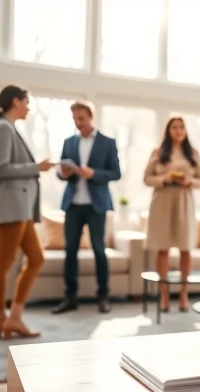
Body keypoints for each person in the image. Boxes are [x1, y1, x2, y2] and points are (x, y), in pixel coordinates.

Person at [0, 85, 54, 339]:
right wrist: (36, 167)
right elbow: (2, 169)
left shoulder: (8, 128)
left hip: (22, 208)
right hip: (12, 207)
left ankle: (14, 317)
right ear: (16, 102)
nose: (29, 107)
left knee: (36, 259)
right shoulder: (2, 128)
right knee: (4, 263)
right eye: (27, 102)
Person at [52, 100, 121, 314]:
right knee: (70, 251)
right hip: (73, 205)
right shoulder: (69, 142)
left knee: (99, 251)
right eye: (74, 119)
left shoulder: (107, 142)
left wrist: (94, 174)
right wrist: (62, 173)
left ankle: (103, 296)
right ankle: (70, 297)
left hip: (96, 205)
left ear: (91, 116)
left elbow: (116, 173)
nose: (78, 122)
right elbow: (60, 171)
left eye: (81, 118)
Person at [143, 116, 200, 312]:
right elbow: (146, 178)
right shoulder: (158, 152)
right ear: (168, 130)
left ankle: (184, 293)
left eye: (181, 127)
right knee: (162, 249)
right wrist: (165, 178)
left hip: (184, 202)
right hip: (162, 202)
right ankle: (164, 294)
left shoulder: (193, 153)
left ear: (185, 131)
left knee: (186, 248)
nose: (178, 130)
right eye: (174, 127)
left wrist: (189, 182)